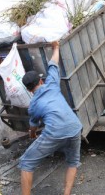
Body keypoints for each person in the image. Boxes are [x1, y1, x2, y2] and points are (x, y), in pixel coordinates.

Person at [19, 41, 82, 195]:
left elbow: (33, 127)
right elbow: (53, 63)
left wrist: (32, 134)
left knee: (26, 163)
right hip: (75, 127)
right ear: (41, 81)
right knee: (73, 162)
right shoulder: (52, 83)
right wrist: (56, 47)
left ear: (28, 89)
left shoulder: (33, 105)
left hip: (56, 133)